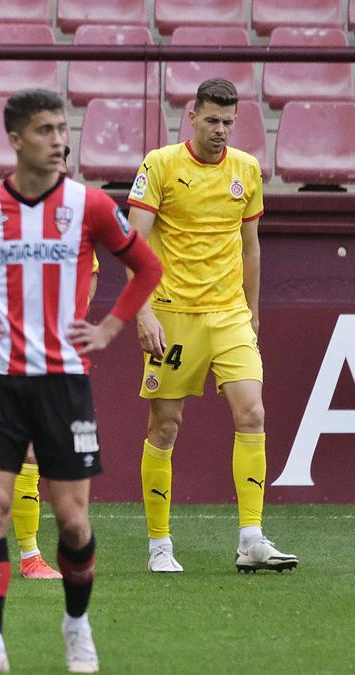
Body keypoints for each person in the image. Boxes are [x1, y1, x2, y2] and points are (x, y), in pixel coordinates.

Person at [0, 88, 162, 673]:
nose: (59, 140)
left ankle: (76, 625)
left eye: (62, 129)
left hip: (65, 381)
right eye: (45, 130)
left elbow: (147, 265)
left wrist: (114, 326)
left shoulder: (91, 205)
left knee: (73, 519)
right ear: (16, 139)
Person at [126, 78, 297, 574]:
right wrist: (142, 310)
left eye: (228, 121)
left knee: (253, 413)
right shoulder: (160, 164)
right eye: (212, 120)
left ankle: (251, 538)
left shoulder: (246, 169)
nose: (221, 130)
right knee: (165, 425)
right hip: (172, 314)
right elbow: (134, 244)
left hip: (229, 315)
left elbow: (251, 247)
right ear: (192, 116)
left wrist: (253, 311)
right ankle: (160, 543)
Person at [0, 241, 100, 580]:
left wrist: (79, 308)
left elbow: (90, 271)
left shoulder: (68, 222)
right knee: (27, 454)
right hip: (3, 357)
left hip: (55, 356)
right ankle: (31, 557)